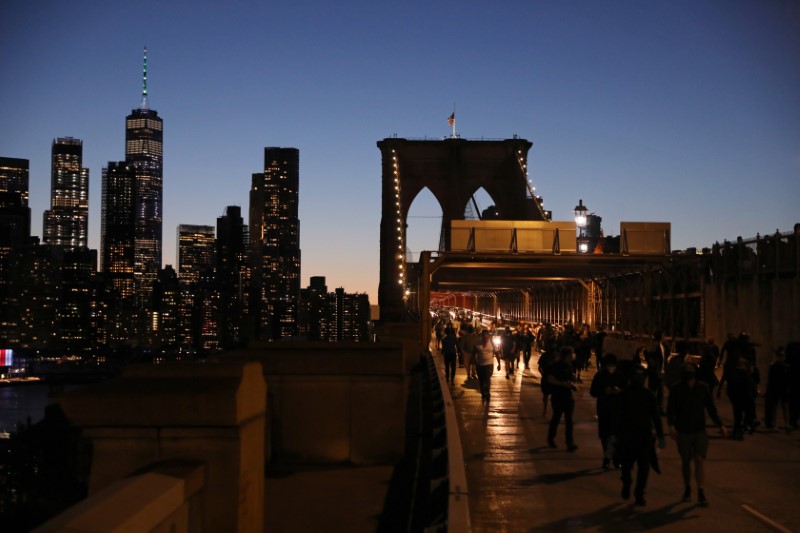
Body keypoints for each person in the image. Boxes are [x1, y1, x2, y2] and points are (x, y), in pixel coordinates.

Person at [667, 363, 727, 506]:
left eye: (691, 369)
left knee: (699, 460)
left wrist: (720, 425)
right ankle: (687, 488)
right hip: (683, 430)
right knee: (686, 461)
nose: (689, 372)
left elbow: (711, 408)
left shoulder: (703, 388)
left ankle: (700, 491)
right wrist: (671, 426)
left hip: (699, 430)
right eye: (687, 370)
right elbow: (671, 409)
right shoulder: (676, 389)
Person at [618, 365, 666, 506]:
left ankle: (639, 493)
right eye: (636, 375)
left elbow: (656, 417)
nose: (639, 378)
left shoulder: (649, 395)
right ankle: (626, 482)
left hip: (644, 437)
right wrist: (614, 435)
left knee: (644, 468)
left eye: (641, 375)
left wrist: (661, 436)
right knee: (625, 465)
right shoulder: (624, 394)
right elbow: (617, 416)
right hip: (627, 436)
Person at [590, 353, 627, 469]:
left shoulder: (621, 375)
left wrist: (619, 391)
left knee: (615, 434)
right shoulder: (600, 375)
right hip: (604, 408)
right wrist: (604, 391)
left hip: (617, 409)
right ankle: (607, 457)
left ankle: (616, 458)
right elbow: (593, 392)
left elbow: (627, 390)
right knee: (605, 435)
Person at [547, 347, 579, 451]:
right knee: (556, 417)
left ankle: (570, 443)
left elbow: (569, 377)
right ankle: (551, 438)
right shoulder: (556, 366)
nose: (573, 356)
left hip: (568, 396)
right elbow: (550, 380)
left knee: (569, 420)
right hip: (558, 396)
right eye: (571, 354)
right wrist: (563, 384)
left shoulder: (569, 366)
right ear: (566, 356)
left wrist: (573, 378)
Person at [764, 347, 790, 432]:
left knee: (785, 406)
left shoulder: (786, 367)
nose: (781, 357)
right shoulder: (773, 366)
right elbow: (770, 379)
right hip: (775, 388)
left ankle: (787, 424)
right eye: (780, 355)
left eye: (782, 355)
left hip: (784, 388)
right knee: (774, 407)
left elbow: (789, 379)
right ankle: (774, 424)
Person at [644, 331, 667, 414]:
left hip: (658, 371)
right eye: (663, 336)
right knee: (656, 390)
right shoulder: (655, 345)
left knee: (657, 391)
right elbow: (647, 353)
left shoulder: (659, 345)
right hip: (655, 371)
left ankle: (656, 408)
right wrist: (651, 362)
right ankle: (655, 408)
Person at [474, 330, 500, 401]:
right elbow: (475, 353)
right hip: (480, 365)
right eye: (483, 336)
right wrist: (475, 363)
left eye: (486, 336)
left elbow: (497, 353)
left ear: (488, 336)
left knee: (487, 379)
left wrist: (499, 364)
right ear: (482, 336)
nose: (485, 338)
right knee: (481, 380)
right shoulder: (478, 343)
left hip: (489, 364)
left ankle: (487, 393)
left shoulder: (491, 343)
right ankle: (483, 393)